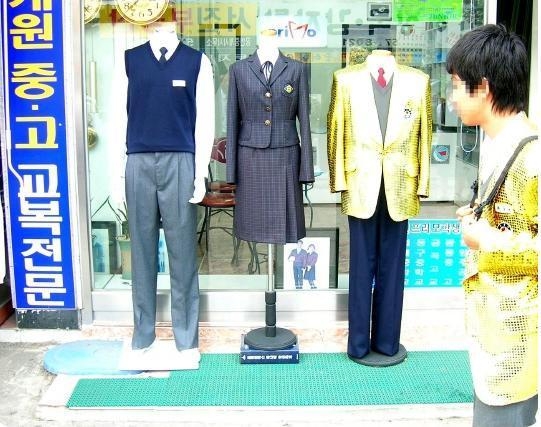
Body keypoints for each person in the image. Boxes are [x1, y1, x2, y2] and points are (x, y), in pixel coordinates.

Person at [447, 24, 538, 427]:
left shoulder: (531, 156)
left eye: (456, 86)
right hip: (496, 331)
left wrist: (484, 238)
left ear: (482, 87)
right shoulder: (499, 142)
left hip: (516, 337)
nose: (451, 98)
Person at [327, 49, 432, 365]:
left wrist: (423, 183)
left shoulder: (418, 81)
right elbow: (336, 131)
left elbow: (425, 135)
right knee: (361, 268)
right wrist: (338, 180)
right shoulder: (345, 80)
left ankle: (387, 342)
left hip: (402, 183)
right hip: (360, 182)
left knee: (393, 268)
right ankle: (358, 343)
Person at [123, 21, 214, 366]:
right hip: (138, 160)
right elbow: (120, 116)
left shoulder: (196, 61)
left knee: (183, 253)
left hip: (181, 161)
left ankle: (186, 339)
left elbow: (205, 121)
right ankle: (142, 334)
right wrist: (119, 171)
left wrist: (200, 171)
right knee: (141, 252)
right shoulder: (130, 59)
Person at [226, 30, 314, 245]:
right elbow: (232, 120)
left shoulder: (297, 69)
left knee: (285, 218)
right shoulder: (238, 69)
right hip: (250, 155)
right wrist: (231, 171)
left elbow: (304, 120)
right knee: (252, 219)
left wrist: (306, 170)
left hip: (286, 154)